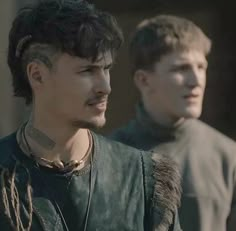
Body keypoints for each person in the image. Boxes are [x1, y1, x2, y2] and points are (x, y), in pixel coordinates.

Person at [0, 1, 182, 231]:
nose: (105, 87)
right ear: (38, 76)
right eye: (87, 70)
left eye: (106, 69)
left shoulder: (141, 180)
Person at [110, 15, 236, 231]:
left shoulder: (228, 156)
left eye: (201, 67)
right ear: (144, 80)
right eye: (181, 69)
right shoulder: (110, 157)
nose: (196, 81)